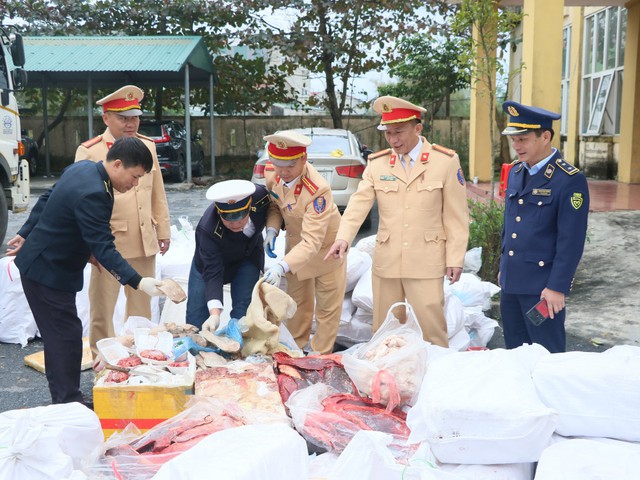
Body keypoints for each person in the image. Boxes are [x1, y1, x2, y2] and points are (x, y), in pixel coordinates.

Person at [5, 137, 166, 405]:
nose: (135, 184)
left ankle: (67, 397)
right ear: (117, 164)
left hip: (49, 263)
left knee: (65, 334)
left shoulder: (85, 169)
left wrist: (25, 232)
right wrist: (138, 282)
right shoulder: (95, 192)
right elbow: (103, 246)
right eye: (135, 176)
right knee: (63, 337)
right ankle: (67, 402)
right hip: (48, 271)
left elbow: (48, 197)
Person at [325, 95, 469, 347]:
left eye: (399, 132)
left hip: (427, 259)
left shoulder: (444, 161)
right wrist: (343, 237)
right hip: (388, 260)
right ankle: (387, 380)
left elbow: (456, 216)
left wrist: (455, 258)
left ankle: (435, 378)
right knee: (384, 331)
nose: (393, 139)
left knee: (431, 330)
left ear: (418, 128)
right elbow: (359, 203)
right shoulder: (378, 163)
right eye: (388, 133)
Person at [74, 85, 171, 356]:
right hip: (108, 245)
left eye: (135, 117)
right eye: (123, 118)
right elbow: (78, 203)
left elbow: (157, 193)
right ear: (106, 118)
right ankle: (101, 364)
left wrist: (162, 229)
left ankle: (140, 361)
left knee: (141, 309)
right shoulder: (91, 151)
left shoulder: (147, 146)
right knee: (102, 310)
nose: (131, 123)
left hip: (143, 241)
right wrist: (87, 245)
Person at [498, 100, 589, 353]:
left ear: (545, 136)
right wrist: (503, 267)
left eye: (523, 139)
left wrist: (558, 287)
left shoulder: (568, 179)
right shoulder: (517, 171)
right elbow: (510, 223)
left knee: (547, 359)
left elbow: (571, 240)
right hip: (512, 283)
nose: (516, 146)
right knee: (515, 356)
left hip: (542, 289)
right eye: (513, 140)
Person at [262, 130, 346, 354]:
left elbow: (313, 242)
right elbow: (275, 205)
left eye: (289, 166)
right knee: (297, 306)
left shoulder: (317, 189)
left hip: (326, 251)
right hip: (295, 250)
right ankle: (295, 351)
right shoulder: (273, 174)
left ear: (303, 159)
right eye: (278, 165)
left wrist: (281, 266)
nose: (283, 172)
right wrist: (272, 229)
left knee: (327, 309)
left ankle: (320, 356)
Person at [185, 179, 271, 332]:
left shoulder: (261, 197)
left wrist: (273, 230)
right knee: (196, 317)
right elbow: (212, 273)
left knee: (244, 312)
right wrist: (215, 314)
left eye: (241, 217)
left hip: (248, 257)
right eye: (229, 220)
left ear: (250, 206)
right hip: (209, 265)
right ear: (219, 212)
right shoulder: (207, 229)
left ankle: (240, 349)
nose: (236, 224)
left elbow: (281, 208)